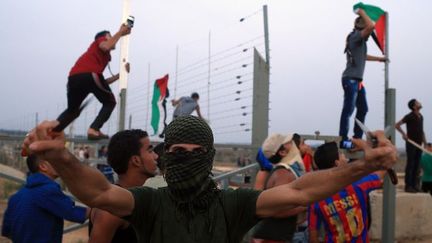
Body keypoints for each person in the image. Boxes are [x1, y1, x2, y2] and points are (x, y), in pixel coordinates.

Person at [22, 116, 397, 243]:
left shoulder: (231, 204)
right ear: (166, 155)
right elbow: (100, 193)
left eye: (196, 154)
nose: (185, 161)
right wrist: (62, 157)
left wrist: (363, 166)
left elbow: (300, 191)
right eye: (176, 153)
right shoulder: (151, 203)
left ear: (210, 157)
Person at [56, 24, 131, 140]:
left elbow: (100, 82)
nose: (112, 38)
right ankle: (94, 128)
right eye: (109, 36)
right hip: (88, 75)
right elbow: (106, 46)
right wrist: (120, 32)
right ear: (104, 37)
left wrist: (120, 75)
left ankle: (52, 131)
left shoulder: (101, 57)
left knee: (73, 111)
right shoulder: (100, 41)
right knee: (109, 102)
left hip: (74, 78)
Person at [89, 129, 158, 243]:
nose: (155, 156)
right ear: (136, 160)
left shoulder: (140, 197)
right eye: (150, 151)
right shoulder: (111, 209)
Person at [308, 142, 386, 243]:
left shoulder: (316, 198)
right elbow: (384, 167)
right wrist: (365, 146)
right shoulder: (357, 185)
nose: (344, 156)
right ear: (337, 163)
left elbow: (312, 236)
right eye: (341, 154)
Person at [1, 155, 88, 243]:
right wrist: (95, 211)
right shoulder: (48, 190)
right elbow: (73, 213)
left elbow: (7, 231)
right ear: (43, 166)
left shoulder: (16, 197)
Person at [339, 7, 387, 149]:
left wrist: (379, 59)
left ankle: (357, 138)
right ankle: (343, 140)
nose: (369, 32)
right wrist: (361, 12)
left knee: (363, 108)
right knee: (348, 110)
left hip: (357, 81)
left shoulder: (360, 42)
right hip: (350, 79)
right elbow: (371, 26)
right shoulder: (355, 37)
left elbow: (363, 57)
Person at [251, 133, 307, 243]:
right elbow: (278, 211)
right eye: (290, 143)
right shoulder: (283, 174)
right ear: (282, 152)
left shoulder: (285, 170)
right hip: (271, 238)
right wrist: (307, 205)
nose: (295, 145)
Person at [395, 99, 427, 192]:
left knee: (417, 165)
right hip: (411, 143)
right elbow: (397, 125)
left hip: (419, 144)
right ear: (414, 106)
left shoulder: (421, 116)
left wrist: (425, 143)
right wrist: (404, 134)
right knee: (411, 164)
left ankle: (415, 185)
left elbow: (422, 131)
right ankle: (408, 186)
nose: (420, 102)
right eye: (417, 102)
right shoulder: (409, 116)